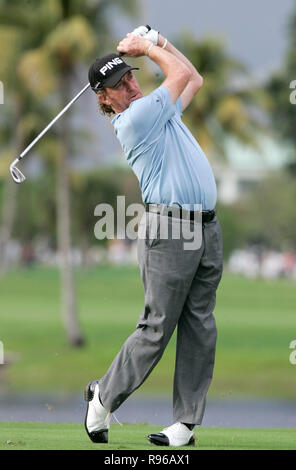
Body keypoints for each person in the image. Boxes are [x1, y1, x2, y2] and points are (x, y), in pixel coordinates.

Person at [85, 26, 223, 447]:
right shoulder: (133, 120)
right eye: (118, 85)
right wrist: (148, 47)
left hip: (207, 228)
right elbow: (178, 77)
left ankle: (184, 425)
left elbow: (192, 78)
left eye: (129, 75)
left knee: (199, 326)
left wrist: (160, 42)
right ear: (105, 99)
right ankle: (101, 399)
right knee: (157, 328)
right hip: (170, 231)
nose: (130, 84)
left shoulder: (160, 111)